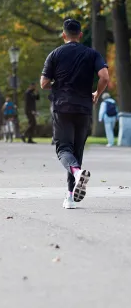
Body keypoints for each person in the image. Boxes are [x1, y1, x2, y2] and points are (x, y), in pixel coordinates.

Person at [41, 18, 109, 209]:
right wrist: (97, 93)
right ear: (80, 35)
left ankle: (78, 176)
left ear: (63, 35)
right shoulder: (92, 54)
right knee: (77, 150)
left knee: (64, 149)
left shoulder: (55, 54)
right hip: (84, 108)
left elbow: (44, 83)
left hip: (62, 107)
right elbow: (104, 76)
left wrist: (58, 83)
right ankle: (70, 196)